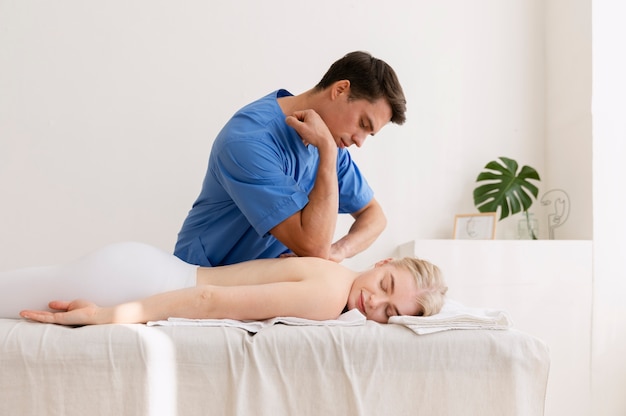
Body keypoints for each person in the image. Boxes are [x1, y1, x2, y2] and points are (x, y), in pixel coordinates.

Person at [174, 51, 407, 267]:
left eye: (369, 133)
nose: (360, 141)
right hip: (200, 277)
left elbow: (374, 216)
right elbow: (313, 248)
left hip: (260, 287)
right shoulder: (248, 141)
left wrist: (339, 251)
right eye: (363, 124)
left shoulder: (332, 146)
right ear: (340, 90)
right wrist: (327, 151)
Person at [0, 242, 447, 326]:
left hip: (142, 271)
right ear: (384, 261)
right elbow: (210, 300)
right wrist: (106, 315)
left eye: (390, 312)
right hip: (135, 284)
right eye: (386, 283)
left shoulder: (334, 273)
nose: (375, 302)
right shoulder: (330, 296)